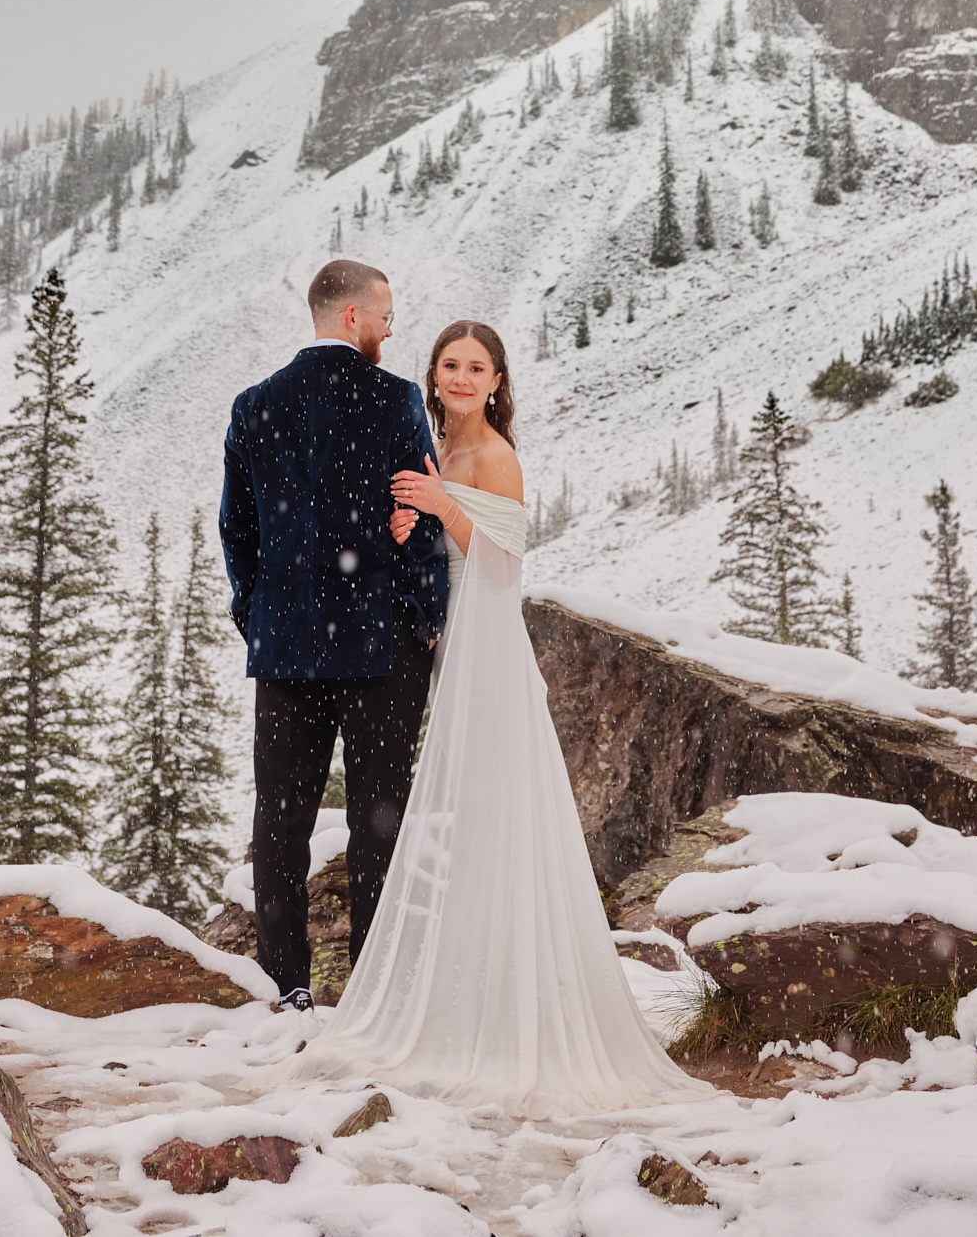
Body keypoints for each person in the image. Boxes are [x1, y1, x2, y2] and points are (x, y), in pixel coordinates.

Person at [292, 317, 692, 1116]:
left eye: (478, 367)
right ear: (434, 375)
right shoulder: (435, 446)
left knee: (499, 812)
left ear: (498, 382)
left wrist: (442, 506)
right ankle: (468, 992)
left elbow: (504, 570)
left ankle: (511, 1015)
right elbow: (433, 551)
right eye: (450, 364)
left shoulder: (496, 458)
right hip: (450, 644)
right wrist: (413, 524)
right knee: (466, 819)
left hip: (490, 652)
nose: (463, 377)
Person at [219, 258, 449, 1013]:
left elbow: (236, 529)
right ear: (352, 318)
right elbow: (419, 512)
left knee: (278, 818)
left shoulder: (254, 405)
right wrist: (425, 615)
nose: (390, 327)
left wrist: (256, 615)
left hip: (285, 644)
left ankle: (285, 985)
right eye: (384, 313)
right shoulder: (394, 399)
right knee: (376, 814)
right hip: (378, 643)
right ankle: (373, 992)